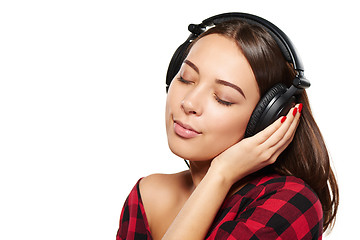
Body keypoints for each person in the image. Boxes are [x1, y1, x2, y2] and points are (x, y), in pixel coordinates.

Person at [116, 13, 339, 240]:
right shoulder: (147, 196)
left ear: (267, 117)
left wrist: (220, 174)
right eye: (185, 78)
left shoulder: (291, 202)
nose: (189, 103)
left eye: (223, 98)